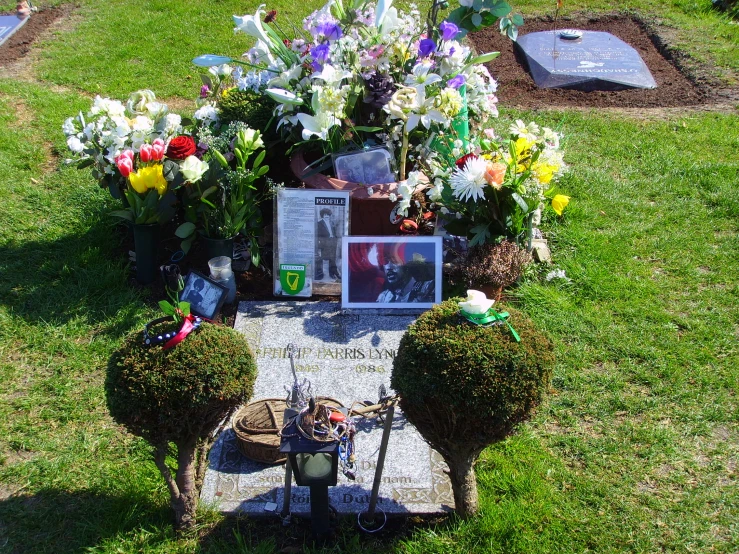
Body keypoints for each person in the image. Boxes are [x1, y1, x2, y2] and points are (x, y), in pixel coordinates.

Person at [315, 208, 340, 281]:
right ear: (322, 215)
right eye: (325, 215)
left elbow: (334, 231)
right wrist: (319, 244)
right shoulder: (319, 223)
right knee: (324, 258)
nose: (327, 216)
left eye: (328, 215)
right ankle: (322, 273)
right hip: (325, 242)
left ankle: (332, 273)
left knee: (332, 258)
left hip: (333, 241)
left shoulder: (332, 223)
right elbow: (318, 235)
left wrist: (335, 238)